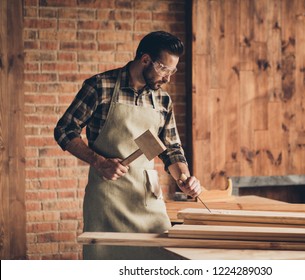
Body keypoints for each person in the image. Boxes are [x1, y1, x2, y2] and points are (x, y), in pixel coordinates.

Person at [54, 31, 202, 259]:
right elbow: (64, 129)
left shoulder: (162, 100)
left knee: (162, 261)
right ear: (145, 60)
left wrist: (184, 178)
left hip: (147, 202)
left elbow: (171, 149)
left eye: (172, 71)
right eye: (164, 69)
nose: (168, 78)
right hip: (107, 200)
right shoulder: (99, 86)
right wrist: (99, 161)